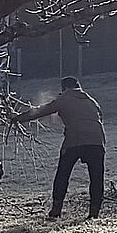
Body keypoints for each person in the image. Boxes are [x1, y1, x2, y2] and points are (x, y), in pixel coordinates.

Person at [16, 76, 106, 218]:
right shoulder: (91, 101)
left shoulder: (64, 98)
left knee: (62, 174)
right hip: (97, 141)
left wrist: (18, 118)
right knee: (96, 178)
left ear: (64, 88)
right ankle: (94, 213)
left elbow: (42, 110)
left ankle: (56, 210)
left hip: (74, 140)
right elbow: (98, 117)